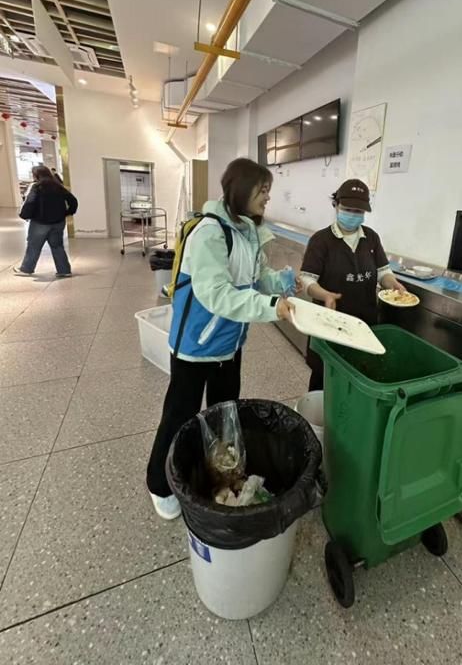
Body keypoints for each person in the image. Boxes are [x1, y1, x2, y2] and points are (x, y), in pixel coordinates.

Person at [146, 158, 296, 520]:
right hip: (197, 345)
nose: (267, 198)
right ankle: (159, 484)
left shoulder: (247, 231)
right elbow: (217, 295)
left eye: (268, 191)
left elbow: (257, 277)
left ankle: (219, 471)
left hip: (229, 344)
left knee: (225, 411)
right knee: (180, 413)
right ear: (241, 189)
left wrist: (282, 282)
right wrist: (270, 307)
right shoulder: (210, 233)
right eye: (263, 190)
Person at [300, 179, 406, 391]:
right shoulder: (321, 241)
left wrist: (393, 284)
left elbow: (383, 272)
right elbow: (306, 279)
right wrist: (324, 294)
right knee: (324, 379)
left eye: (358, 211)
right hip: (329, 322)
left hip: (364, 323)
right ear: (336, 205)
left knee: (359, 376)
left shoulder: (371, 238)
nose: (353, 215)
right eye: (348, 209)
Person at [14, 165, 77, 278]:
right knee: (57, 246)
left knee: (34, 246)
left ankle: (26, 269)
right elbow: (73, 200)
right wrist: (67, 212)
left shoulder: (36, 187)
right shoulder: (58, 186)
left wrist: (24, 215)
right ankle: (64, 270)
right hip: (58, 222)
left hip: (40, 223)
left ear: (36, 175)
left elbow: (30, 202)